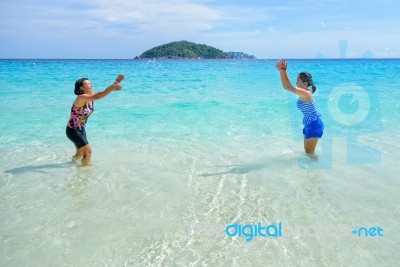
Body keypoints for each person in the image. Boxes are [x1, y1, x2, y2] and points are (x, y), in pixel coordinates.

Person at [66, 74, 124, 166]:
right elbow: (98, 96)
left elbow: (103, 92)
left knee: (80, 153)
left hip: (81, 130)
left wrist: (117, 81)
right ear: (81, 88)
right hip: (73, 131)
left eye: (90, 83)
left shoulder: (91, 96)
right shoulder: (81, 97)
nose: (91, 85)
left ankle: (71, 165)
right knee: (88, 152)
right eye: (88, 84)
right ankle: (85, 173)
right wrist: (112, 89)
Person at [276, 59, 323, 154]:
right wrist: (281, 71)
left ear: (305, 84)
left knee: (309, 153)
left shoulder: (306, 94)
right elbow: (286, 86)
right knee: (308, 152)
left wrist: (283, 70)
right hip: (309, 124)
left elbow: (287, 87)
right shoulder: (305, 93)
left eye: (297, 82)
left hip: (314, 125)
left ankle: (313, 168)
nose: (296, 84)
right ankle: (311, 168)